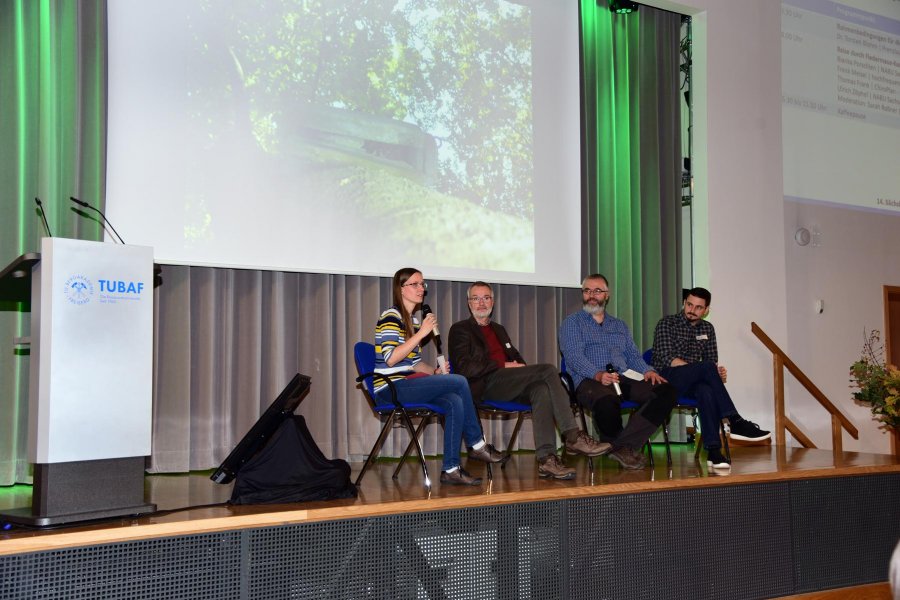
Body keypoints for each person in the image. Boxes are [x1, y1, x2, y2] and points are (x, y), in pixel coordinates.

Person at [447, 281, 612, 480]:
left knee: (541, 389)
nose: (481, 303)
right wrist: (502, 364)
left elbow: (519, 361)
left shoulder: (499, 329)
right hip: (484, 386)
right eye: (476, 298)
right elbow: (465, 368)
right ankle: (573, 435)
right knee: (548, 370)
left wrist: (518, 368)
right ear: (469, 303)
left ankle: (547, 459)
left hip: (508, 384)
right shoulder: (460, 329)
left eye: (486, 298)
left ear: (493, 301)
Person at [374, 268, 505, 486]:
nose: (421, 289)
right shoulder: (391, 316)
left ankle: (451, 469)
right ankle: (477, 443)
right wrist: (421, 333)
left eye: (422, 284)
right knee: (459, 381)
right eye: (415, 284)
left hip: (407, 384)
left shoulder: (413, 321)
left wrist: (433, 372)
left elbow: (414, 364)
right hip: (389, 389)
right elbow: (391, 359)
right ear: (401, 289)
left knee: (453, 400)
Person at [559, 274, 676, 470]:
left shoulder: (619, 325)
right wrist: (597, 374)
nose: (591, 295)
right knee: (607, 400)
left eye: (597, 291)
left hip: (621, 377)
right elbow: (573, 357)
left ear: (607, 295)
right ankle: (622, 448)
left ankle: (621, 446)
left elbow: (633, 355)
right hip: (588, 380)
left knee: (665, 391)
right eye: (587, 291)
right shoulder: (572, 323)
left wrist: (647, 370)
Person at [651, 287, 770, 470]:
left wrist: (714, 373)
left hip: (693, 382)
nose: (692, 310)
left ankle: (714, 451)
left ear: (706, 310)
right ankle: (735, 420)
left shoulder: (708, 328)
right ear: (684, 303)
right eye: (689, 304)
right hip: (666, 379)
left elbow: (711, 361)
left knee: (706, 390)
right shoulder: (667, 323)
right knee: (706, 369)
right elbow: (668, 359)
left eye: (698, 307)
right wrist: (705, 370)